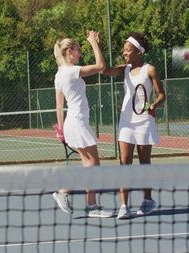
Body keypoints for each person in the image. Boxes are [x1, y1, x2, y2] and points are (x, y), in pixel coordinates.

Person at [102, 32, 166, 219]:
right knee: (124, 163)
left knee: (144, 163)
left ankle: (148, 200)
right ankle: (124, 206)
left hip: (145, 121)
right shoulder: (124, 69)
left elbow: (161, 94)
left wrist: (154, 105)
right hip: (126, 122)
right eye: (124, 51)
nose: (124, 53)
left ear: (139, 51)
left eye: (128, 50)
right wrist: (95, 45)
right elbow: (105, 70)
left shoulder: (150, 70)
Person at [52, 30, 112, 218]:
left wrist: (61, 130)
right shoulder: (71, 71)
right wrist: (94, 42)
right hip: (77, 121)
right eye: (78, 50)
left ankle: (90, 205)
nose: (80, 53)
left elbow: (59, 106)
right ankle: (65, 192)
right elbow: (101, 66)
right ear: (69, 51)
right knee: (93, 163)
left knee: (90, 163)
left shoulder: (59, 74)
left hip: (72, 122)